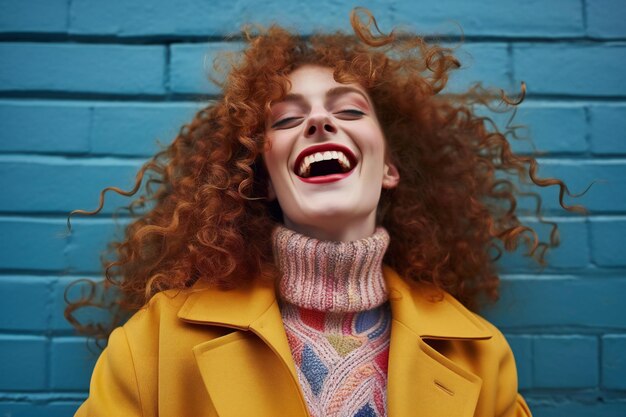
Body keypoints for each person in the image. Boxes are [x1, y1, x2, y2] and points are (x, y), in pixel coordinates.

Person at [68, 7, 586, 417]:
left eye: (350, 109)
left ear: (390, 167)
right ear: (265, 179)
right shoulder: (155, 344)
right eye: (287, 118)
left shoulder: (480, 355)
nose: (319, 120)